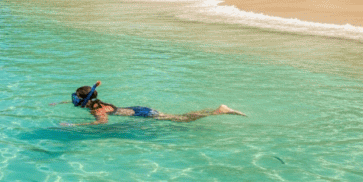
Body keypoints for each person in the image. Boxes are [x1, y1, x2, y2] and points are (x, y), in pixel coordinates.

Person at [66, 81, 244, 125]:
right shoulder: (98, 103)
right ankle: (214, 110)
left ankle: (218, 111)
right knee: (180, 117)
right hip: (137, 109)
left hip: (142, 114)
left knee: (181, 120)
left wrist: (75, 124)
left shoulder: (96, 110)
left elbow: (102, 123)